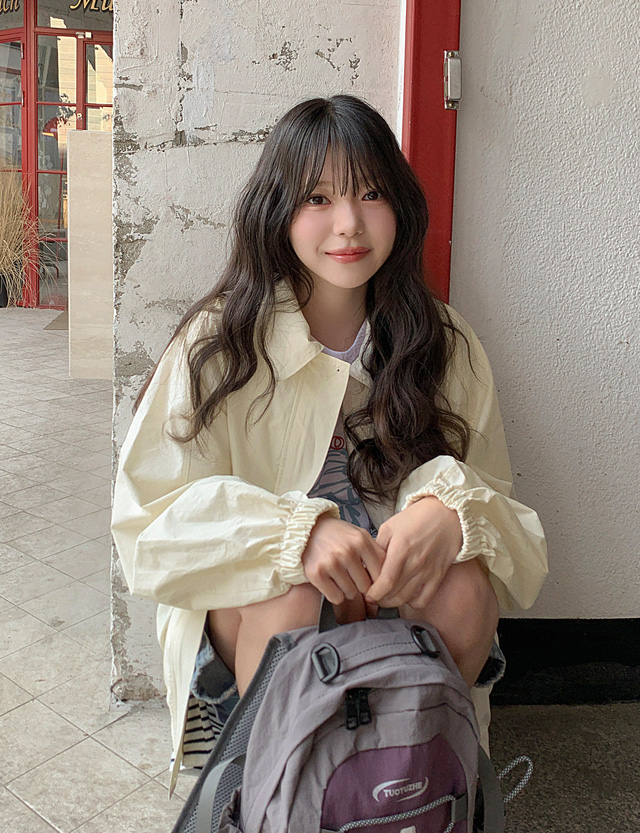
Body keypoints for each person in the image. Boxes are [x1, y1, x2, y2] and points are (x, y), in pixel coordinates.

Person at [111, 95, 547, 796]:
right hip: (264, 612)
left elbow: (506, 517)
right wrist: (295, 535)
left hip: (393, 604)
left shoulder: (442, 341)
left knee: (464, 587)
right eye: (318, 198)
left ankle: (415, 784)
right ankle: (274, 796)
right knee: (294, 594)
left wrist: (450, 514)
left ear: (399, 205)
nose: (349, 223)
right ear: (277, 211)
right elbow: (147, 525)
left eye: (371, 193)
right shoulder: (219, 343)